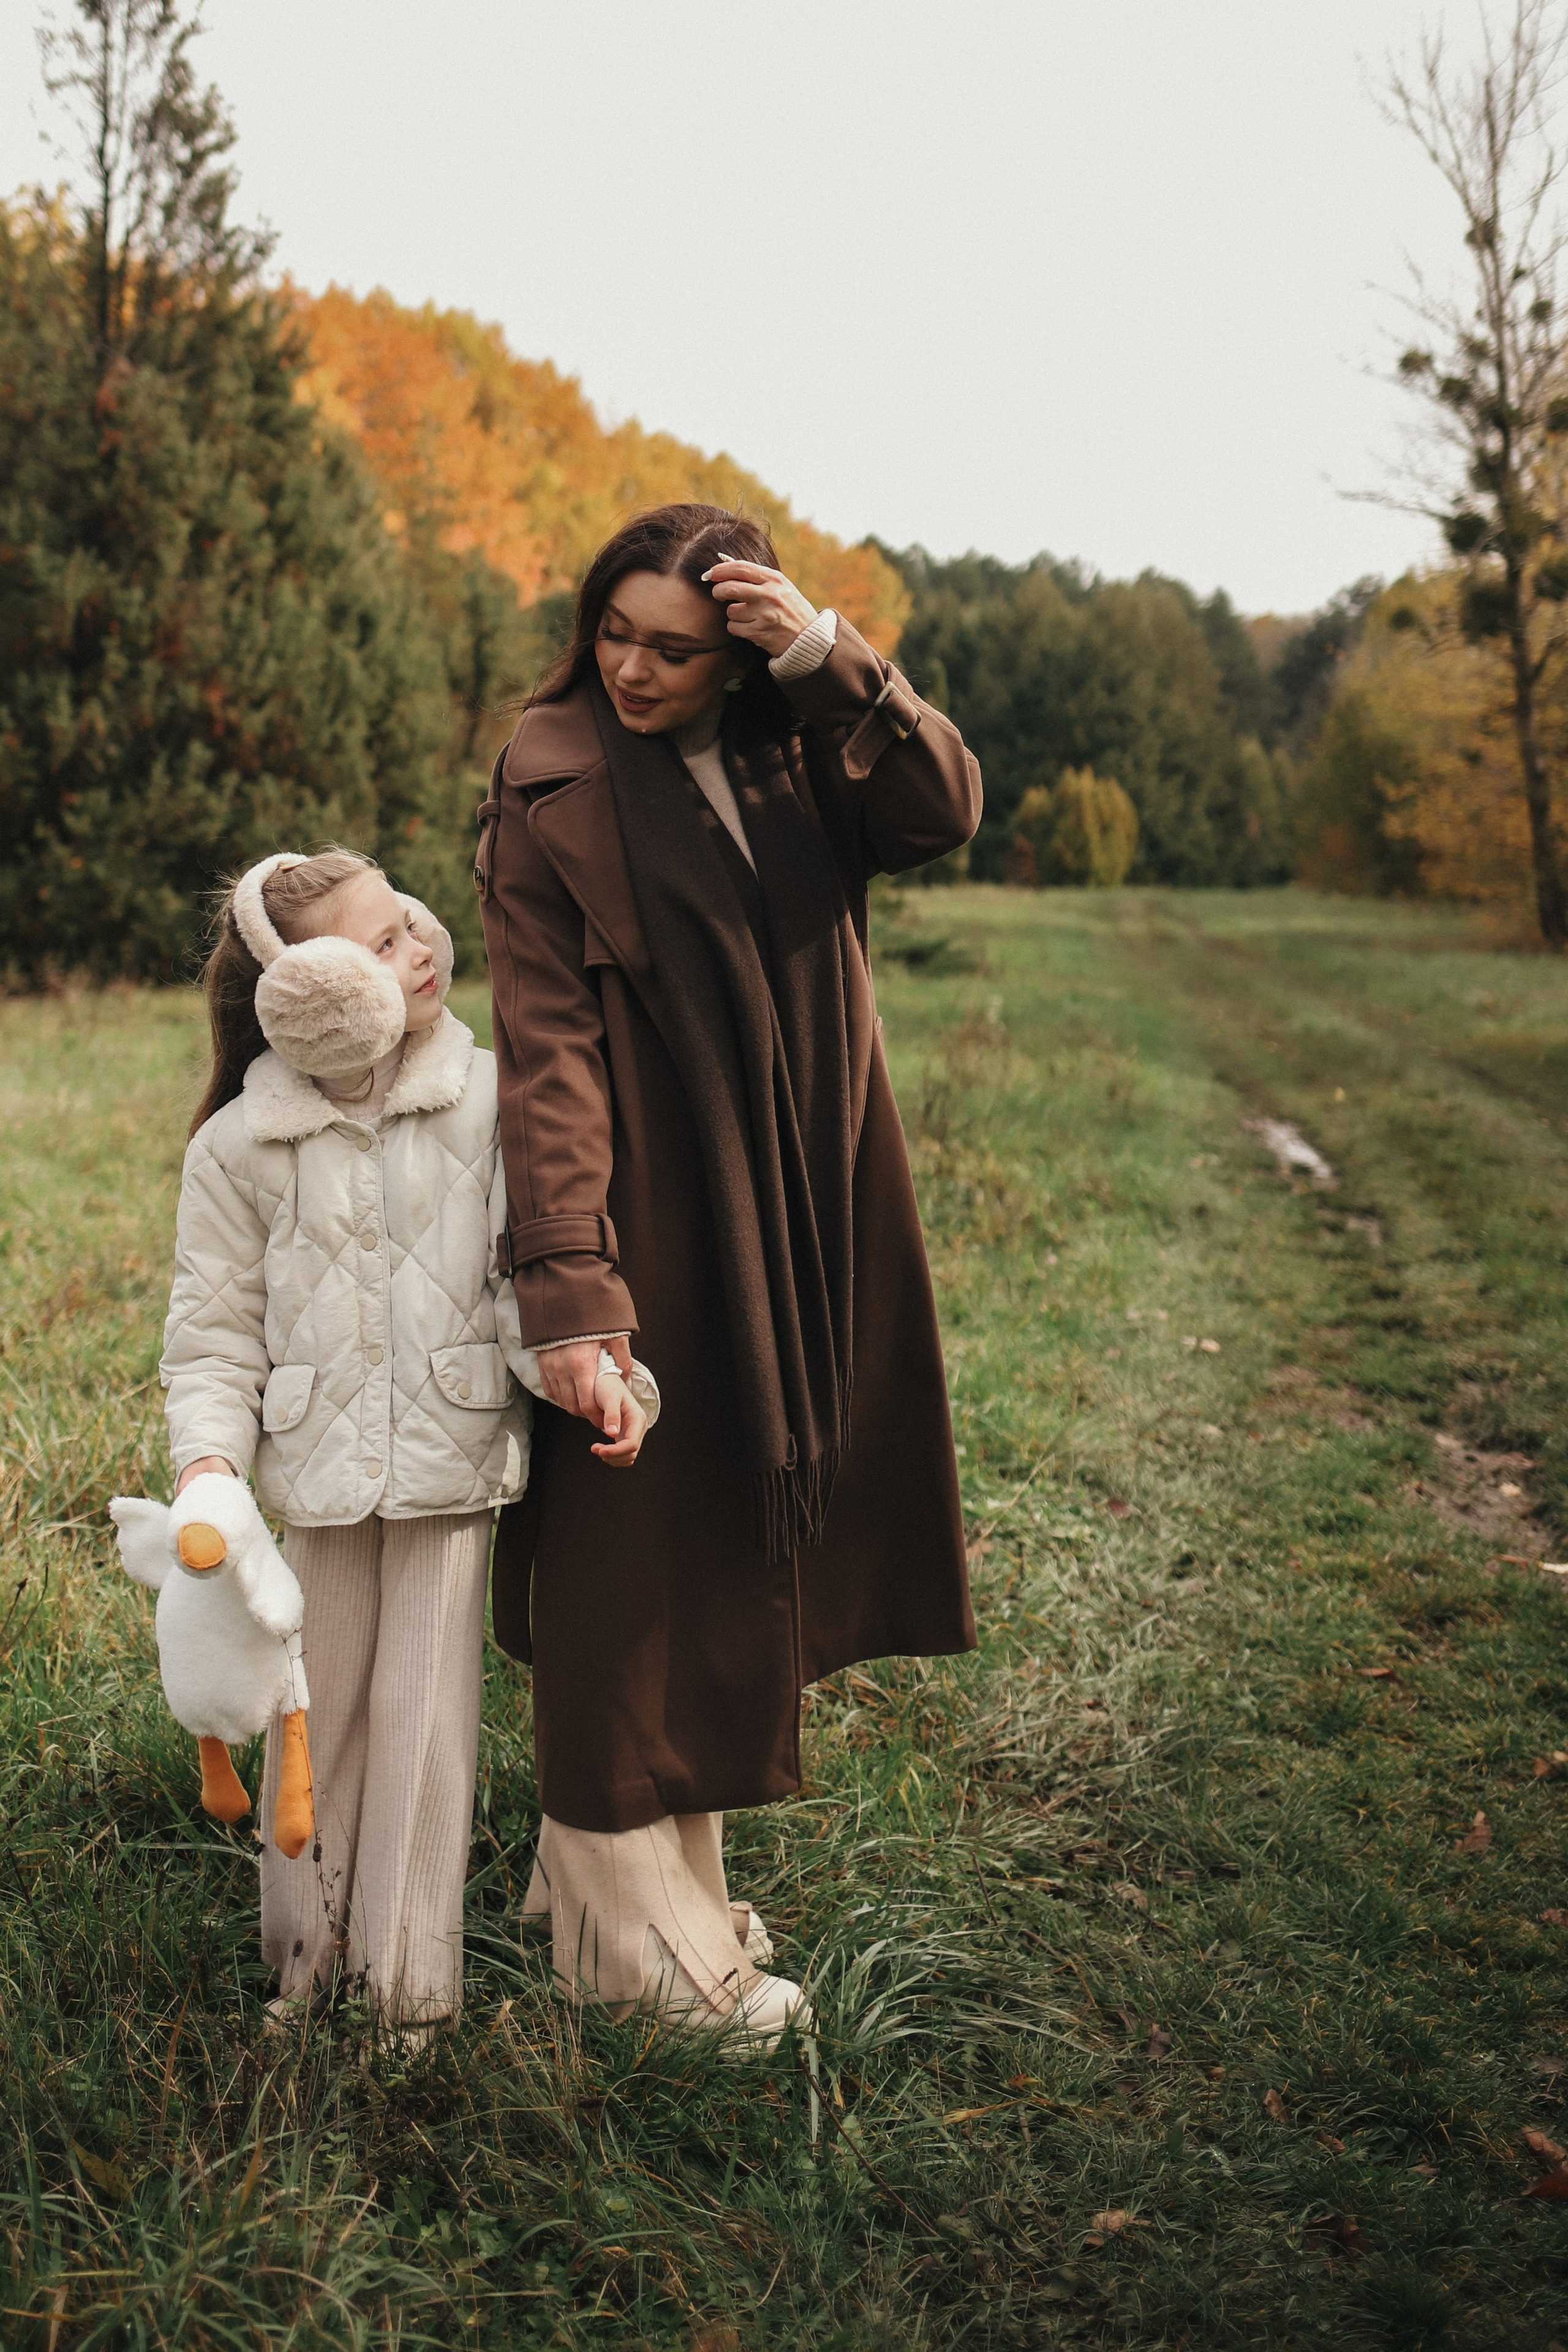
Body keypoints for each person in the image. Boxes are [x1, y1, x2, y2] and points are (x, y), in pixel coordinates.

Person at [478, 501, 982, 2045]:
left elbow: (940, 810)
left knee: (710, 1551)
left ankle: (647, 1894)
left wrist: (831, 654)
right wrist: (574, 1286)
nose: (631, 670)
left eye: (675, 650)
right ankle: (632, 1960)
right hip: (645, 1203)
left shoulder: (801, 743)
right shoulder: (551, 774)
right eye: (612, 634)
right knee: (623, 1559)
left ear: (739, 655)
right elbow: (545, 1050)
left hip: (808, 1196)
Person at [157, 848, 656, 2032]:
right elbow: (213, 1337)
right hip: (316, 1481)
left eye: (408, 922)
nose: (421, 947)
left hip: (450, 1466)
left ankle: (409, 1995)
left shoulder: (487, 1097)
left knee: (426, 1730)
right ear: (307, 995)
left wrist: (602, 1373)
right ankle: (307, 1963)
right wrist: (208, 1465)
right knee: (316, 1719)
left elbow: (525, 1286)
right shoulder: (239, 1145)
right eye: (379, 945)